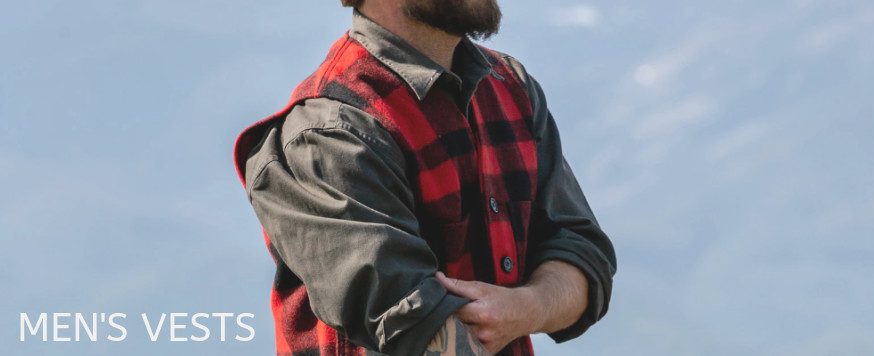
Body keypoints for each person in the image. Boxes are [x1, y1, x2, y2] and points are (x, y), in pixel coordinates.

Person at [232, 0, 617, 355]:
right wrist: (540, 299)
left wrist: (525, 308)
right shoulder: (330, 133)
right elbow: (414, 326)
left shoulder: (511, 87)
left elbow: (584, 258)